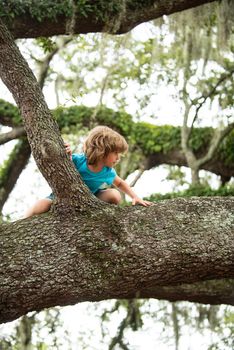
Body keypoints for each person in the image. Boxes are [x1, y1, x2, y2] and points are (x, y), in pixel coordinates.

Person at [24, 126, 152, 218]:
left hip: (91, 199)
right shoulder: (79, 161)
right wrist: (65, 152)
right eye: (116, 153)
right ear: (103, 150)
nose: (118, 158)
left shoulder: (108, 171)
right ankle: (21, 221)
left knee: (115, 195)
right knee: (42, 205)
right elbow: (65, 164)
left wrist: (135, 197)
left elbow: (120, 184)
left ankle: (98, 214)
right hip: (61, 198)